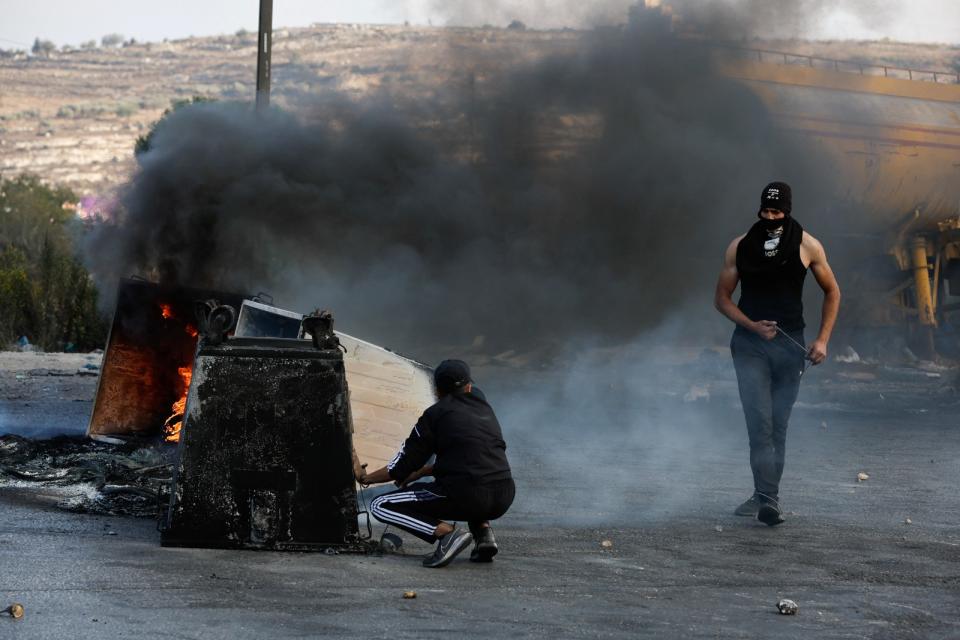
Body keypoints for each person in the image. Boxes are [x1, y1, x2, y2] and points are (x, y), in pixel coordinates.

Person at [714, 181, 840, 526]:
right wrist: (752, 325)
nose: (770, 217)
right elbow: (722, 299)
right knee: (759, 421)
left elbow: (832, 292)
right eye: (765, 211)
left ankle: (764, 494)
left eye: (777, 212)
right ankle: (769, 500)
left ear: (787, 211)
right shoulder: (740, 247)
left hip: (790, 346)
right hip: (750, 345)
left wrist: (822, 340)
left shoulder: (807, 245)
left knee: (778, 426)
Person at [358, 359, 515, 567]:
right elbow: (466, 456)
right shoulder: (481, 402)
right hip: (504, 495)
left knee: (380, 505)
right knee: (474, 477)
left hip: (467, 495)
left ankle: (447, 534)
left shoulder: (433, 416)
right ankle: (483, 534)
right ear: (468, 386)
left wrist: (365, 477)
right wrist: (423, 471)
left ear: (436, 391)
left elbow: (400, 468)